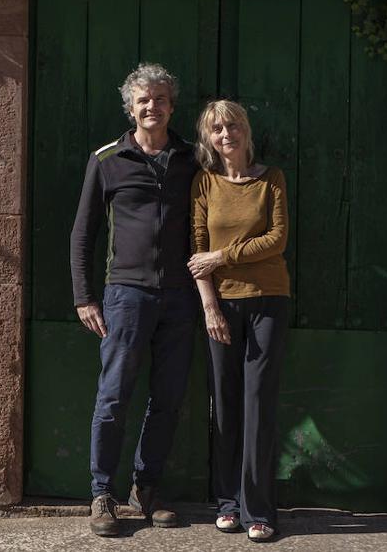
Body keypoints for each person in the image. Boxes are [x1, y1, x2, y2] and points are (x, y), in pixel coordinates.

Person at [70, 63, 199, 537]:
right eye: (144, 100)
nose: (153, 107)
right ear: (131, 107)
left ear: (172, 106)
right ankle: (101, 492)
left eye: (161, 99)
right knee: (114, 395)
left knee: (167, 397)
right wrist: (85, 297)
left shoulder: (191, 157)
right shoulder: (107, 159)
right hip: (125, 294)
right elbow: (83, 234)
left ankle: (146, 489)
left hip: (181, 296)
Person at [187, 99, 291, 543]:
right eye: (216, 130)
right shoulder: (204, 182)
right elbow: (195, 252)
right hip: (222, 306)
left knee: (258, 403)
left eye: (232, 126)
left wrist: (222, 255)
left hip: (268, 300)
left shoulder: (271, 179)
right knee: (226, 404)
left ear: (246, 131)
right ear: (209, 139)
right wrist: (209, 305)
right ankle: (227, 502)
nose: (226, 135)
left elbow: (277, 239)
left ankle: (259, 510)